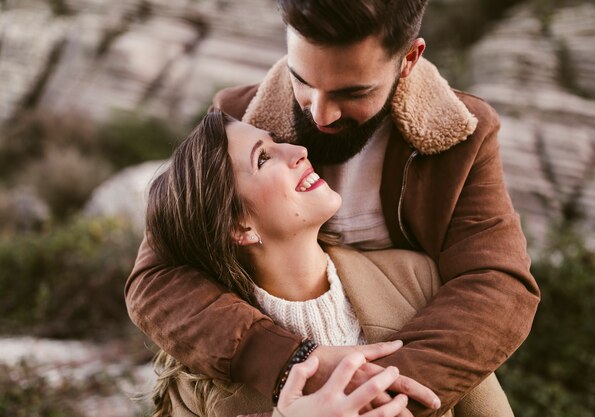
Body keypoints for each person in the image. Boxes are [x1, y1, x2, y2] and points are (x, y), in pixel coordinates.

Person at [126, 0, 541, 414]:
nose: (320, 114)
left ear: (409, 60)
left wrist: (375, 397)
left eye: (353, 91)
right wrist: (289, 363)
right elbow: (156, 277)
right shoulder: (239, 120)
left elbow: (497, 284)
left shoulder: (462, 136)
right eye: (301, 80)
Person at [145, 111, 513, 417]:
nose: (299, 150)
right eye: (263, 157)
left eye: (276, 142)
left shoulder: (419, 279)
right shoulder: (195, 384)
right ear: (238, 226)